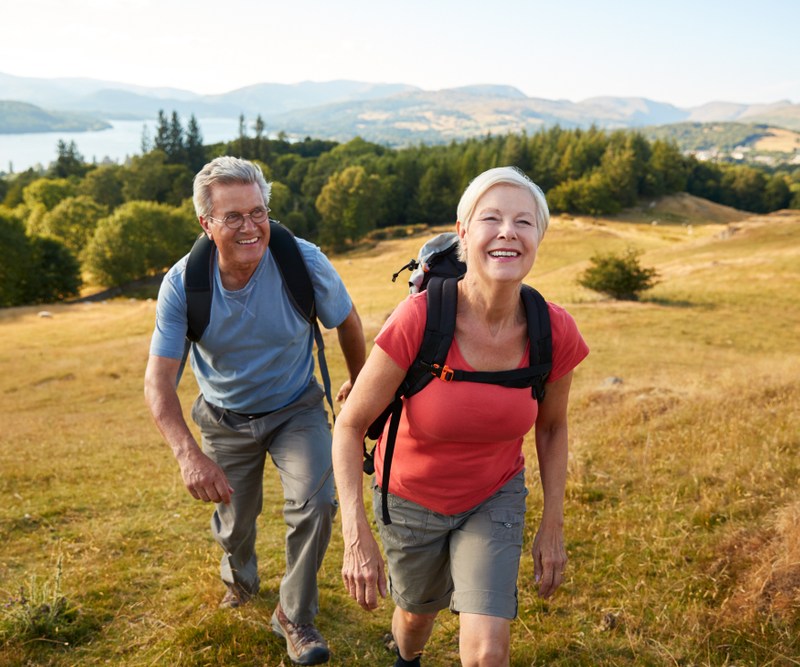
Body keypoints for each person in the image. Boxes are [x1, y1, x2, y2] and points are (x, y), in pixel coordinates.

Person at [332, 166, 589, 667]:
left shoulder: (553, 329)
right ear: (464, 233)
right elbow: (350, 424)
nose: (508, 232)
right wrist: (354, 533)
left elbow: (553, 426)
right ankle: (407, 657)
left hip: (493, 495)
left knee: (489, 652)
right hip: (409, 497)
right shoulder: (421, 318)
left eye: (524, 222)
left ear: (538, 238)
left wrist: (553, 523)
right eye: (491, 218)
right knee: (414, 622)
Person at [144, 156, 365, 666]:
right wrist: (188, 455)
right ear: (206, 223)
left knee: (317, 503)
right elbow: (158, 383)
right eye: (233, 217)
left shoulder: (302, 260)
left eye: (258, 212)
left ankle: (294, 615)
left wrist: (360, 386)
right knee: (235, 523)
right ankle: (240, 578)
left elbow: (348, 321)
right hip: (224, 417)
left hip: (297, 408)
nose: (251, 227)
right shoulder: (184, 284)